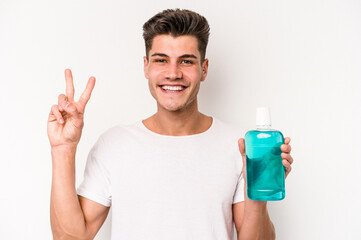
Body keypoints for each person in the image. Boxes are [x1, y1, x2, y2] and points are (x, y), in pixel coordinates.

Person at [47, 9, 293, 240]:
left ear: (204, 69)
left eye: (186, 61)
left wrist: (258, 187)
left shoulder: (241, 145)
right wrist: (63, 149)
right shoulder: (113, 145)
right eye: (161, 60)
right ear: (146, 67)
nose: (173, 73)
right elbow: (71, 237)